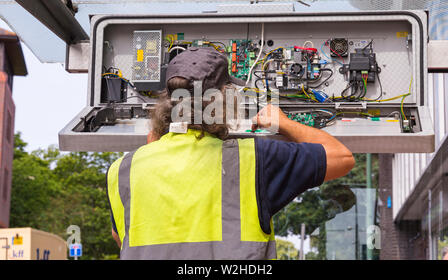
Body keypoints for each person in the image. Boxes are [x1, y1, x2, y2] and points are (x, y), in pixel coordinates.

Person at [106, 47, 355, 260]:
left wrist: (152, 150)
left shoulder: (123, 170)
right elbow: (341, 157)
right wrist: (283, 123)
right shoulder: (253, 159)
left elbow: (123, 238)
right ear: (222, 101)